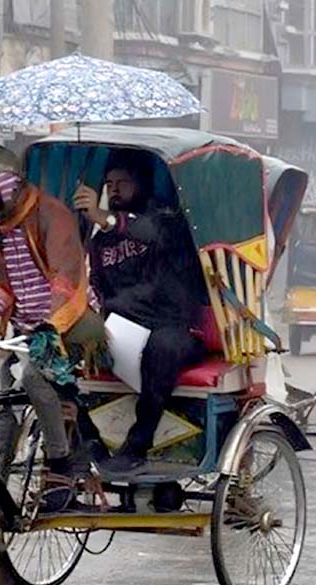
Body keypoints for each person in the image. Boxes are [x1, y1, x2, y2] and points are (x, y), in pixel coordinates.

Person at [0, 145, 104, 511]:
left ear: (9, 182)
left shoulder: (51, 214)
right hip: (24, 333)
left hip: (72, 325)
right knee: (4, 418)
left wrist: (49, 324)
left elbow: (65, 278)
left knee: (32, 377)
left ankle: (60, 460)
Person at [74, 151, 206, 475]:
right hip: (121, 330)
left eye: (122, 183)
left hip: (173, 328)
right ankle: (88, 443)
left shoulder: (168, 221)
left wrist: (106, 218)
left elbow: (147, 232)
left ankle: (137, 447)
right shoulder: (101, 242)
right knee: (57, 353)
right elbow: (99, 288)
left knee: (162, 347)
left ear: (141, 184)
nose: (115, 189)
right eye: (109, 184)